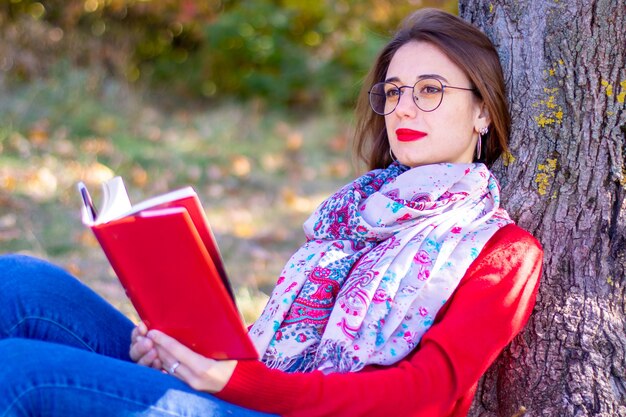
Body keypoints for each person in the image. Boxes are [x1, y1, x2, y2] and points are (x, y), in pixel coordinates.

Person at [0, 8, 543, 417]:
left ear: (482, 113)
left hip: (275, 405)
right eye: (394, 90)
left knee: (19, 373)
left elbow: (423, 395)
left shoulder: (502, 250)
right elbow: (277, 345)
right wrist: (181, 351)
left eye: (430, 90)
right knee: (21, 283)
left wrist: (232, 382)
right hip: (250, 391)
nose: (403, 106)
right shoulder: (355, 215)